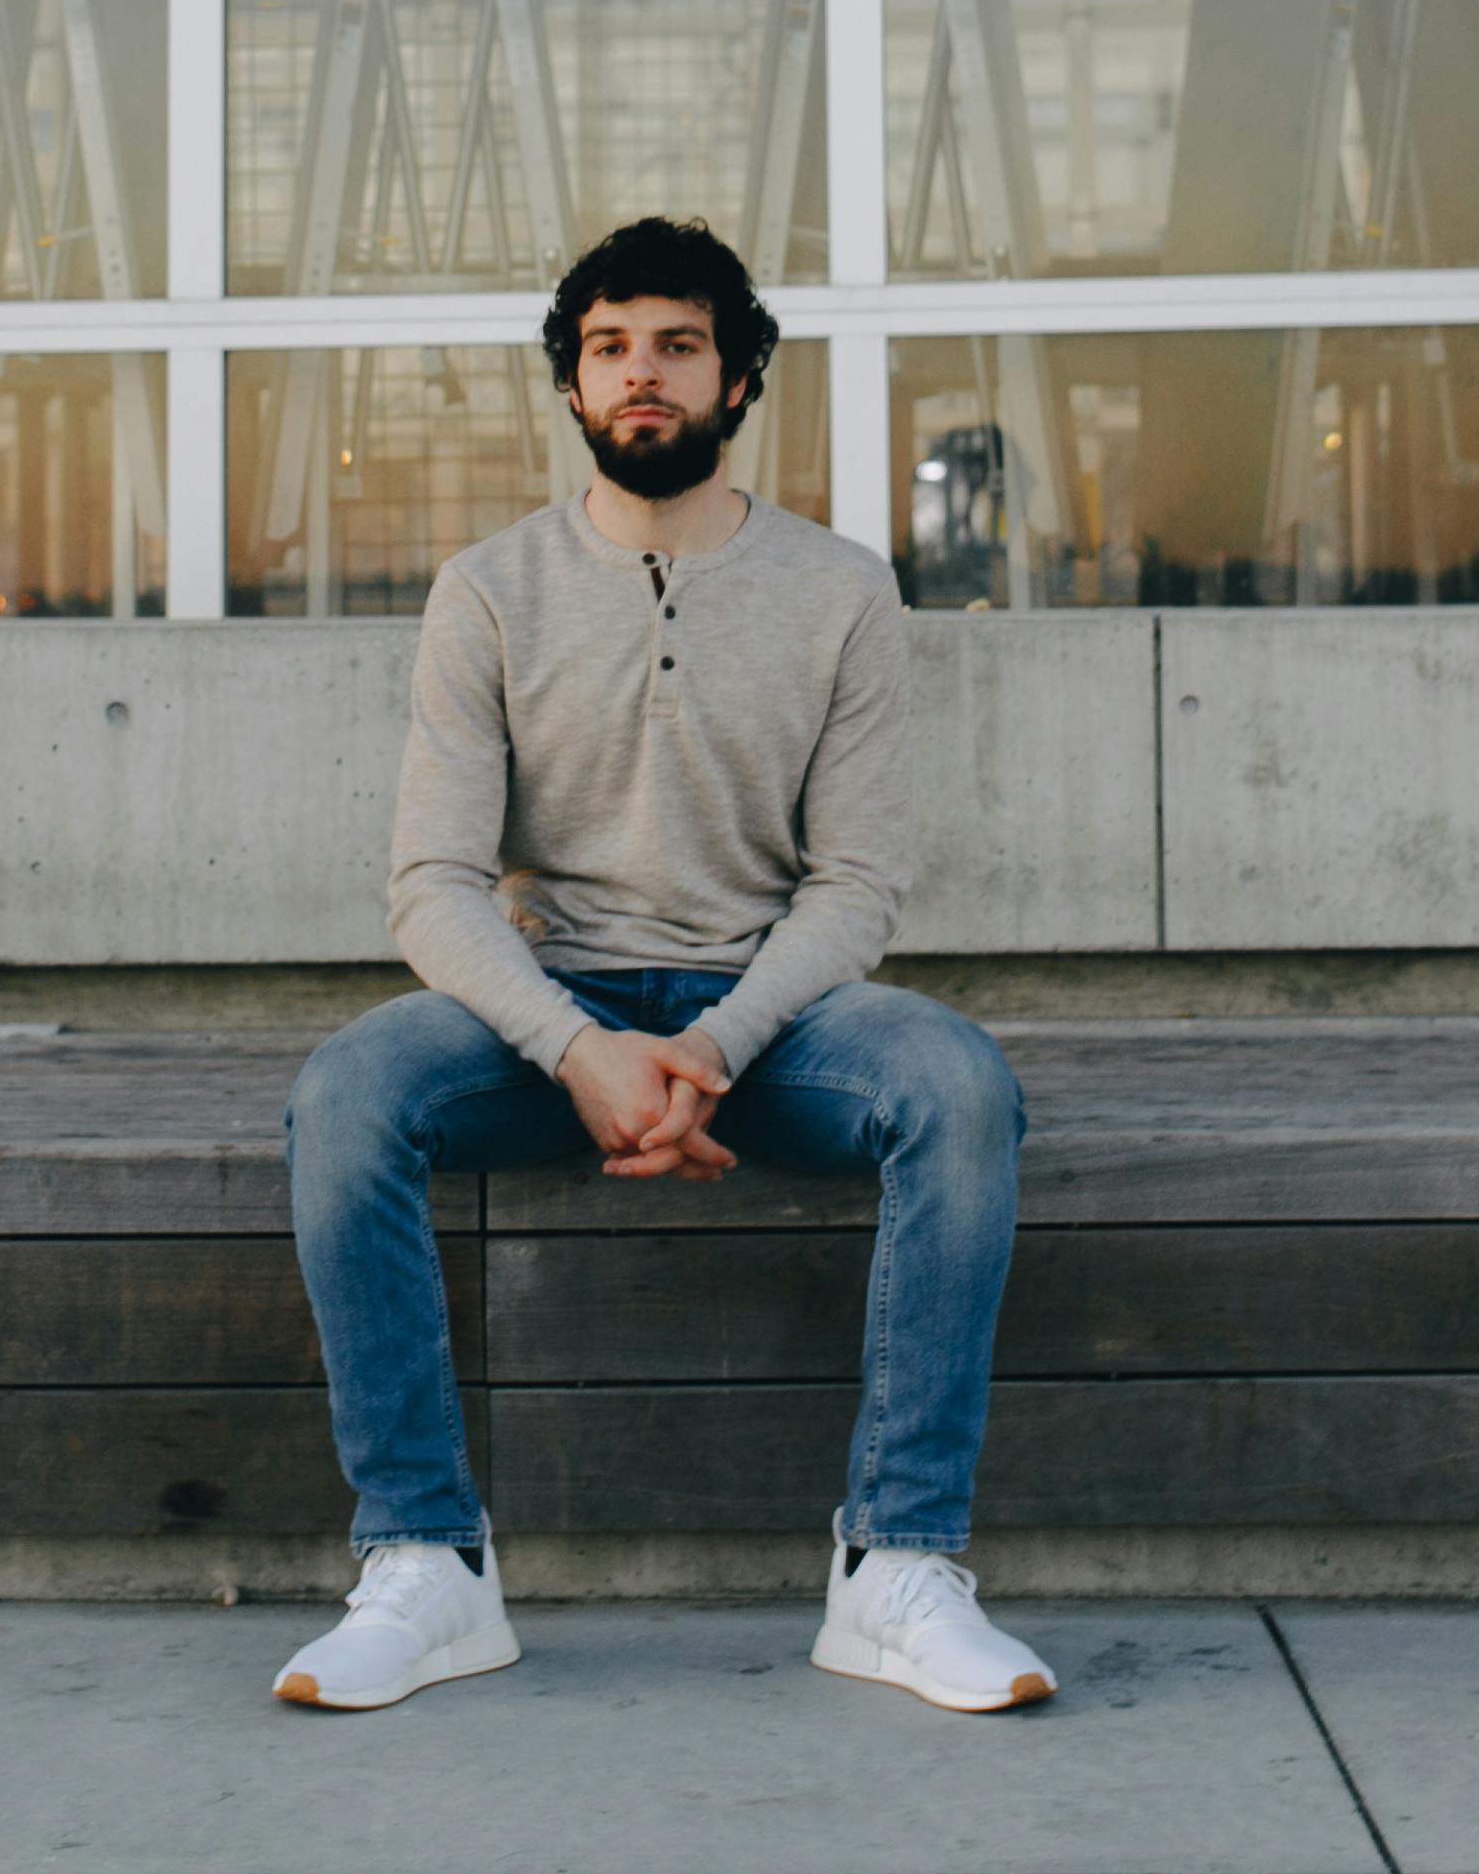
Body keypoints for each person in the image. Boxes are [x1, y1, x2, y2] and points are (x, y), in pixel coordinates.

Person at [268, 215, 1048, 1718]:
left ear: (738, 379)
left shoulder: (839, 591)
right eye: (611, 347)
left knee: (955, 1084)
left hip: (777, 1023)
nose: (643, 375)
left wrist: (716, 1050)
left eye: (678, 346)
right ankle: (426, 1566)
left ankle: (897, 1567)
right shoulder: (489, 590)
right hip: (549, 1020)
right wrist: (584, 1053)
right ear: (571, 384)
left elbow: (855, 883)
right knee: (349, 1093)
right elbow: (431, 888)